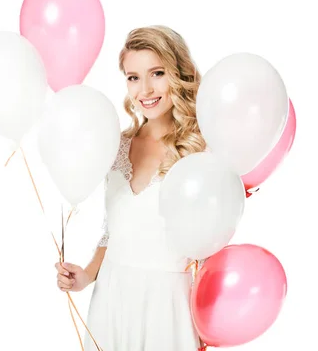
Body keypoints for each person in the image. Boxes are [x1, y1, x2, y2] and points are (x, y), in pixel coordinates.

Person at [55, 26, 208, 351]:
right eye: (133, 77)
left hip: (166, 305)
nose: (145, 89)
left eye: (157, 73)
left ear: (178, 74)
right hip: (111, 299)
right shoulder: (118, 145)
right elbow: (113, 233)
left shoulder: (200, 148)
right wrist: (84, 276)